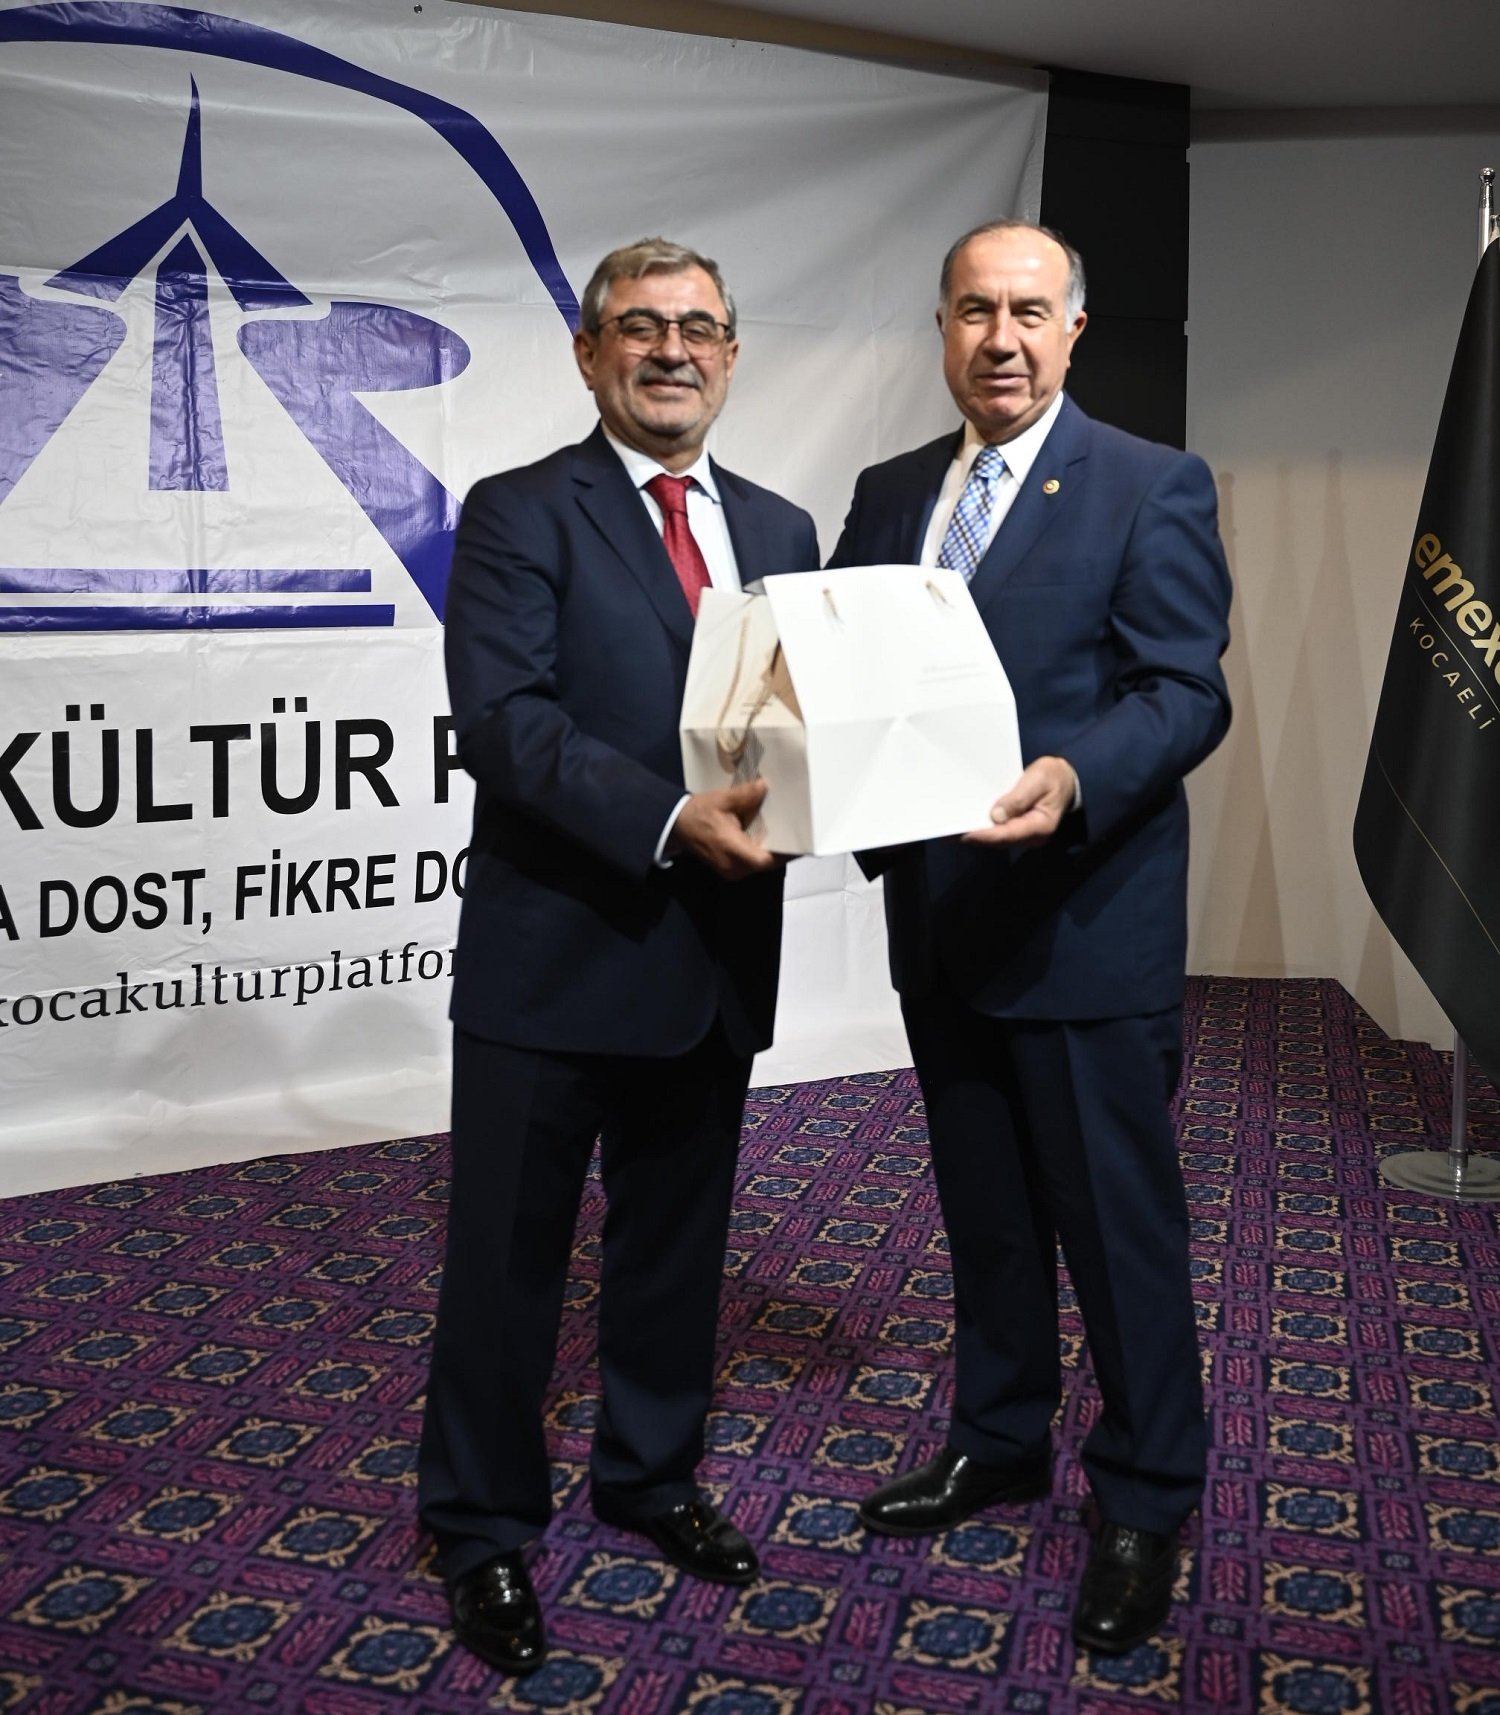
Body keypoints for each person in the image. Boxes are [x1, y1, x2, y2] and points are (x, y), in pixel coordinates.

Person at [829, 220, 1231, 1654]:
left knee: (1119, 1237)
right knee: (988, 1218)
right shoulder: (890, 494)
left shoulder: (1150, 483)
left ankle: (1145, 1496)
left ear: (1073, 329)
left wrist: (1073, 777)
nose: (1000, 338)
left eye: (1028, 311)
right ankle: (998, 1440)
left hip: (1083, 928)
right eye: (974, 311)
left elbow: (1184, 691)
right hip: (941, 927)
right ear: (942, 327)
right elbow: (846, 678)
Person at [420, 238, 819, 1677]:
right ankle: (479, 1525)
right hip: (554, 958)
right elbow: (505, 722)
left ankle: (650, 1475)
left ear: (732, 355)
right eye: (639, 328)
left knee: (676, 1247)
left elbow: (805, 729)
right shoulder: (520, 510)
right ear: (590, 355)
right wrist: (666, 821)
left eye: (699, 328)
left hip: (713, 957)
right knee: (505, 1266)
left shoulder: (783, 528)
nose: (672, 352)